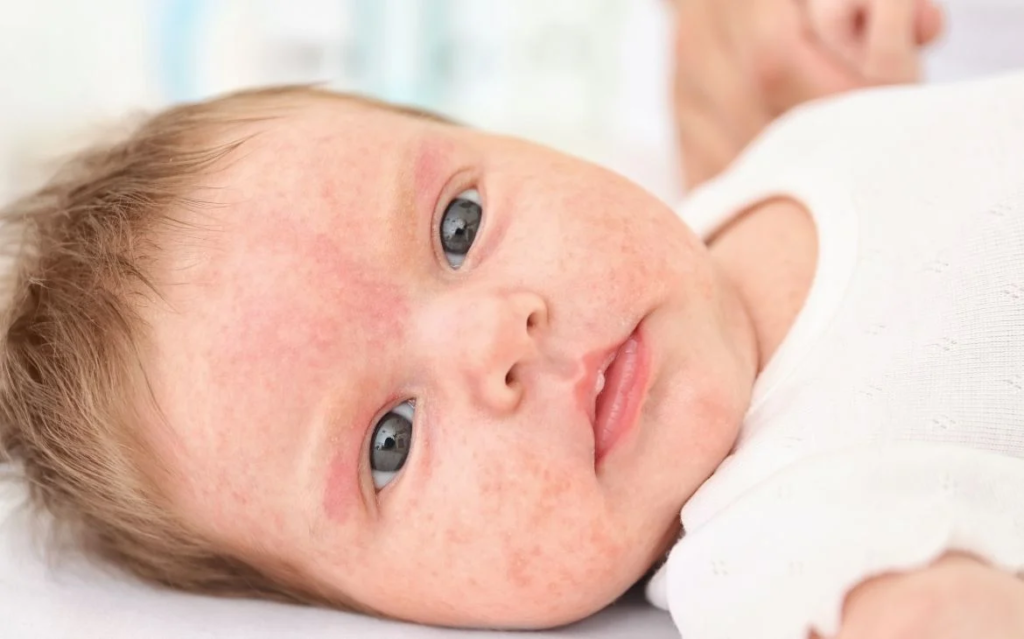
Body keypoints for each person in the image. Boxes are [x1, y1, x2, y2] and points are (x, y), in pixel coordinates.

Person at [1, 5, 1022, 639]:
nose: (498, 338)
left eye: (458, 224)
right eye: (388, 446)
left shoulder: (746, 184)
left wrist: (859, 70)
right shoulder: (774, 543)